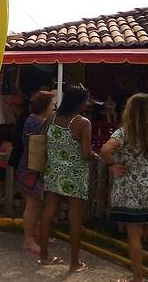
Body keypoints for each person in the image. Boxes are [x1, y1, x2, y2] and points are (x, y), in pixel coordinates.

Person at [101, 93, 148, 282]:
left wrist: (113, 164)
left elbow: (105, 150)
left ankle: (137, 280)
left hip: (132, 187)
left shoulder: (124, 132)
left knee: (134, 233)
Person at [39, 86, 98, 272]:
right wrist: (98, 157)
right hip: (75, 175)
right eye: (86, 100)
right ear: (79, 102)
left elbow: (41, 140)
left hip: (53, 171)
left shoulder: (51, 118)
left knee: (48, 212)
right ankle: (74, 262)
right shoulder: (83, 123)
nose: (88, 103)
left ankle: (44, 256)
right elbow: (86, 153)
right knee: (74, 217)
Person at [15, 91, 55, 254]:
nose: (53, 107)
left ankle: (34, 234)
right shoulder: (36, 122)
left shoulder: (35, 119)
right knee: (32, 204)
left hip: (32, 166)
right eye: (52, 104)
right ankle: (28, 240)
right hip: (32, 168)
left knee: (36, 203)